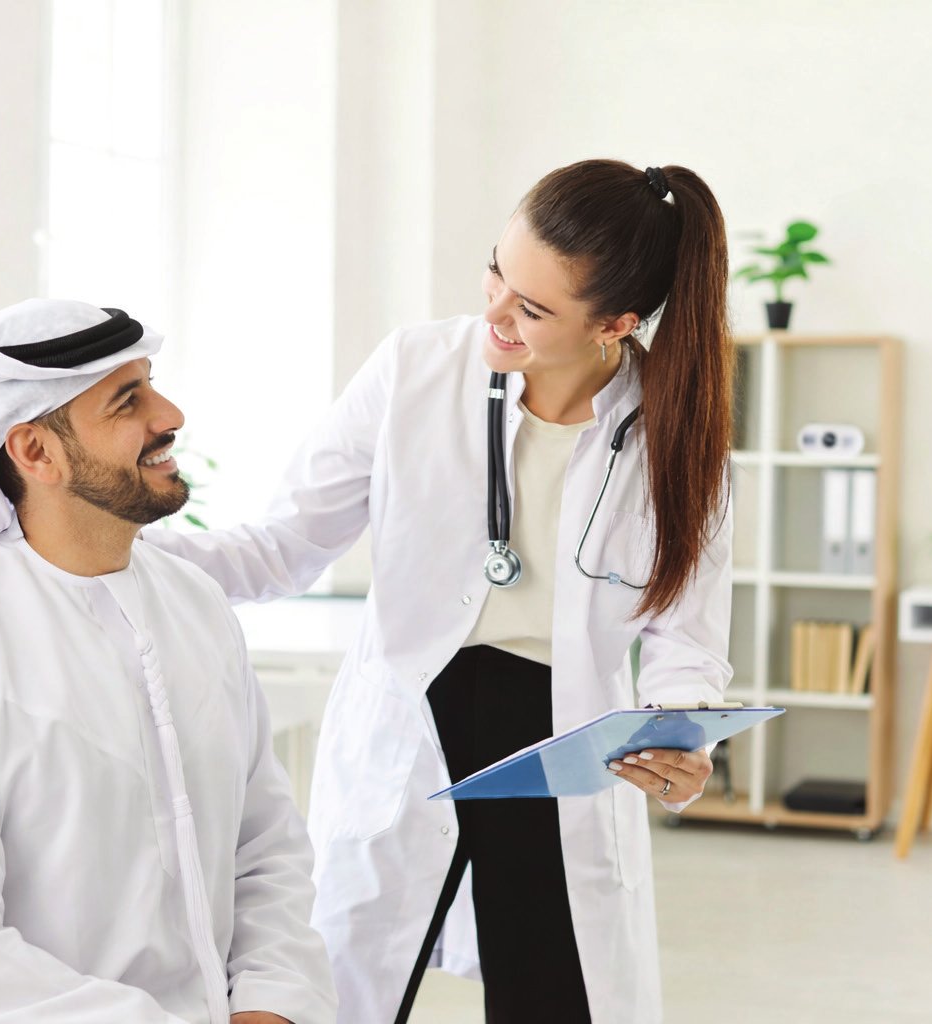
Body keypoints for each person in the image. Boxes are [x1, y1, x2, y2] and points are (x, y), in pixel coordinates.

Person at [144, 159, 734, 1023]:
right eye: (497, 272)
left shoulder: (677, 434)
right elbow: (284, 546)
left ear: (615, 324)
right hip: (411, 724)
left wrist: (682, 737)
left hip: (561, 748)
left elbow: (686, 636)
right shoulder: (415, 368)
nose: (494, 312)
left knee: (556, 997)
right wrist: (121, 551)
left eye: (532, 309)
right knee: (348, 990)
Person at [0, 300, 337, 1024]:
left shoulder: (194, 604)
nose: (170, 415)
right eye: (128, 401)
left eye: (151, 384)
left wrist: (272, 1004)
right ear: (35, 452)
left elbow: (265, 847)